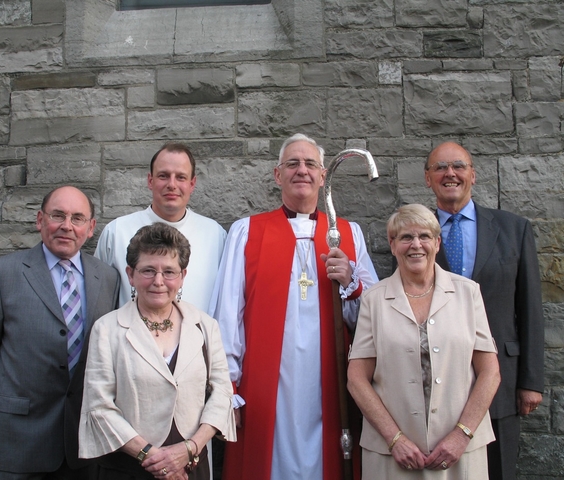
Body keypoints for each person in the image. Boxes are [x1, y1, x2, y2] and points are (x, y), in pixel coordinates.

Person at [209, 133, 378, 480]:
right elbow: (227, 315)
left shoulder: (347, 233)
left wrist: (351, 282)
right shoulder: (247, 231)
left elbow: (374, 321)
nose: (302, 170)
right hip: (264, 383)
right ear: (277, 175)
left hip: (329, 380)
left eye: (310, 164)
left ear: (322, 174)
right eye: (292, 164)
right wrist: (229, 388)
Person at [0, 186, 121, 480]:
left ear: (90, 229)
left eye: (77, 218)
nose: (67, 226)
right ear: (40, 220)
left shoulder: (107, 278)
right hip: (18, 441)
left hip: (82, 444)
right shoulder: (0, 275)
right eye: (57, 215)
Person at [348, 203, 501, 479]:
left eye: (425, 236)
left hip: (459, 453)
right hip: (392, 455)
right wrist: (395, 439)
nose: (416, 245)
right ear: (392, 244)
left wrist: (462, 434)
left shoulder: (468, 294)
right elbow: (357, 379)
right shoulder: (374, 300)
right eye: (406, 237)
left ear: (437, 243)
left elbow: (490, 372)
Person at [424, 142, 544, 480]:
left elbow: (530, 308)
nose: (450, 174)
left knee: (499, 469)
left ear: (473, 175)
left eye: (459, 166)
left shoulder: (513, 229)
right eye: (440, 167)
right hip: (436, 380)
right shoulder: (413, 234)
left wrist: (531, 382)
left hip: (501, 381)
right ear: (428, 178)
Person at [79, 222, 236, 480]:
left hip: (191, 467)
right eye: (148, 270)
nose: (159, 282)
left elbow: (222, 393)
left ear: (183, 275)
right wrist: (153, 458)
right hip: (128, 468)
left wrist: (190, 448)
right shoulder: (107, 329)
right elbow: (99, 405)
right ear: (130, 274)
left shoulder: (205, 326)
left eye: (169, 272)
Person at [95, 143, 226, 311]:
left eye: (181, 177)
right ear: (150, 181)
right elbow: (98, 300)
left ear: (192, 184)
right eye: (163, 176)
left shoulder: (215, 235)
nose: (172, 184)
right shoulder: (116, 232)